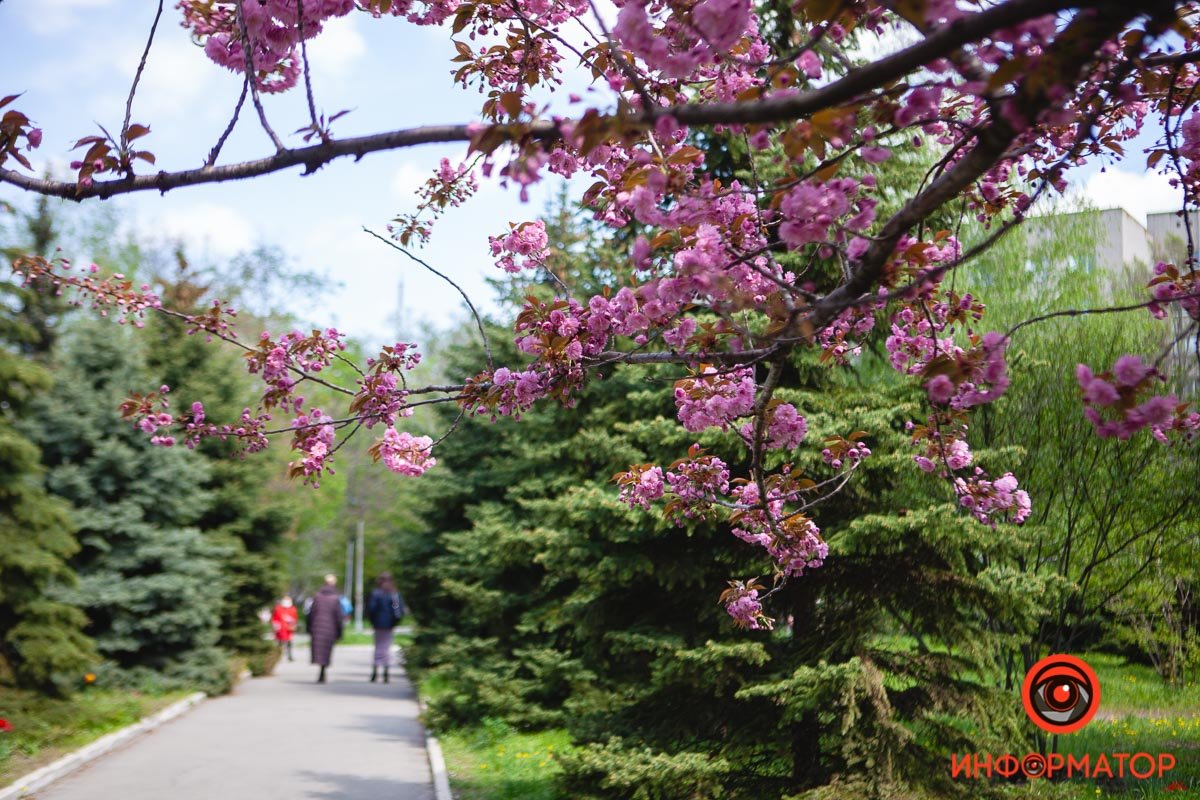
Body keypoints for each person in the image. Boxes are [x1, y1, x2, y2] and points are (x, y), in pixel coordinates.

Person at [366, 572, 405, 683]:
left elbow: (371, 609)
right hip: (389, 624)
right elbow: (398, 609)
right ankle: (386, 672)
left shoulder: (376, 593)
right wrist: (395, 622)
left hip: (378, 624)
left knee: (378, 646)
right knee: (386, 647)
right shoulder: (394, 594)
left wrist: (373, 621)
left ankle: (375, 671)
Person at [306, 574, 344, 683]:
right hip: (330, 628)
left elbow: (311, 613)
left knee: (320, 649)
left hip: (317, 626)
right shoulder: (335, 598)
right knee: (327, 649)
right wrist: (340, 631)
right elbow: (338, 616)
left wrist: (309, 627)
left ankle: (321, 671)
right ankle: (323, 670)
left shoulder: (317, 596)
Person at [270, 596, 298, 661]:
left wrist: (292, 622)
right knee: (279, 642)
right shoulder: (278, 608)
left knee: (289, 642)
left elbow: (295, 618)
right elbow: (275, 618)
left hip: (288, 629)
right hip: (280, 628)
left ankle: (289, 655)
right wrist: (275, 625)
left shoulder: (293, 609)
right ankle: (278, 655)